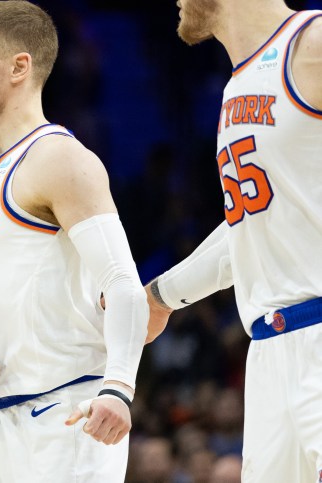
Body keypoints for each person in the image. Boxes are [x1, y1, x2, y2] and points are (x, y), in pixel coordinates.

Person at [0, 2, 149, 481]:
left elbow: (122, 282)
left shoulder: (56, 157)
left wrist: (119, 387)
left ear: (20, 67)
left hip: (61, 417)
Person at [145, 1, 322, 481]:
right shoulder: (237, 85)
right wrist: (161, 296)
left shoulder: (313, 42)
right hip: (268, 350)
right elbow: (252, 230)